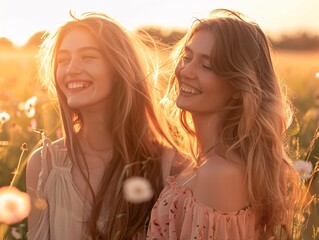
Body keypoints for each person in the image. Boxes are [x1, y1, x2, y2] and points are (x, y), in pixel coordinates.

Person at [147, 9, 305, 239]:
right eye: (187, 57)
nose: (186, 71)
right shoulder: (206, 162)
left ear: (237, 86)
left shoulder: (220, 173)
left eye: (207, 66)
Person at [26, 12, 176, 240]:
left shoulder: (169, 165)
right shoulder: (44, 165)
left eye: (88, 57)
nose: (71, 69)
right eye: (63, 60)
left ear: (118, 69)